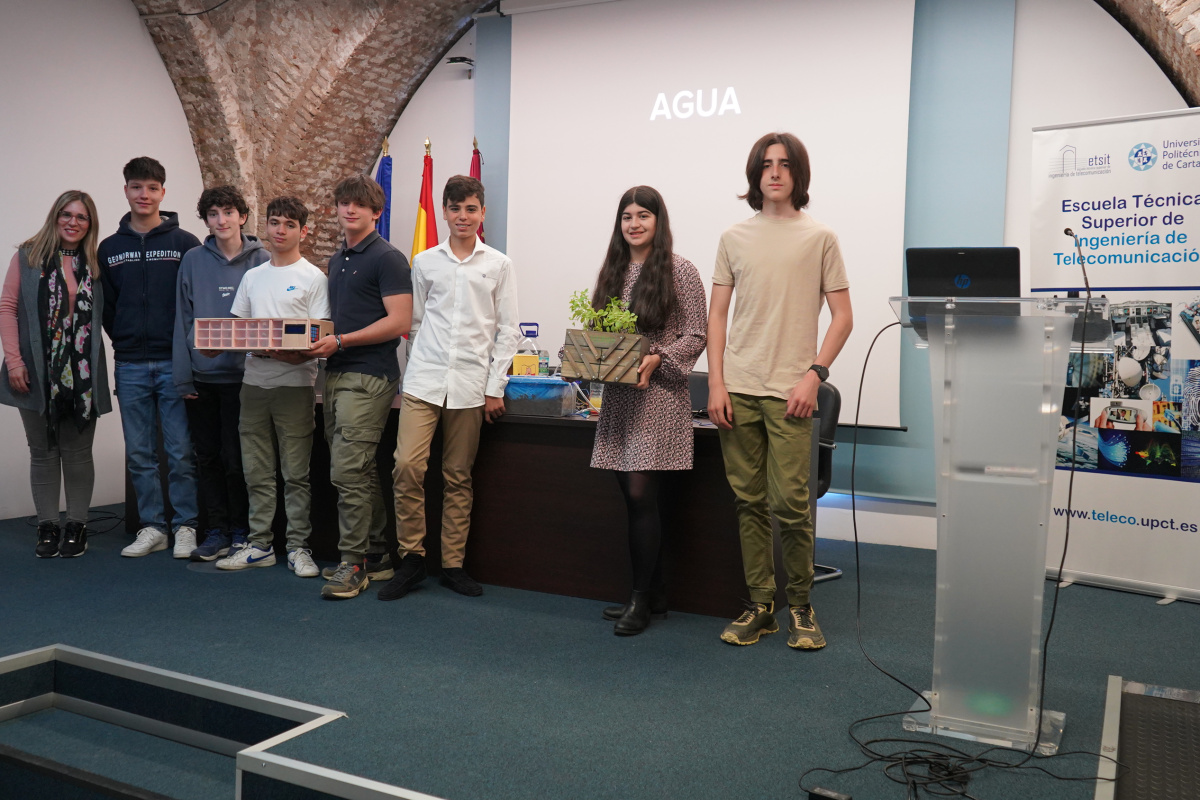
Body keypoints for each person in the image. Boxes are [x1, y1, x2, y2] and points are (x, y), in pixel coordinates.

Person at [708, 132, 853, 649]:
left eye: (784, 165)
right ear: (755, 174)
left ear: (798, 174)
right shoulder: (733, 238)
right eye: (766, 165)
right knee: (748, 503)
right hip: (739, 389)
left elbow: (843, 318)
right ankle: (761, 606)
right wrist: (717, 382)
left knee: (790, 506)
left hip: (792, 392)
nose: (774, 173)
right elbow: (718, 315)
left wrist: (814, 374)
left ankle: (803, 608)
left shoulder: (820, 238)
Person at [382, 175, 520, 601]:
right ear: (443, 211)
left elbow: (508, 330)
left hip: (471, 385)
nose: (463, 217)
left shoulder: (498, 264)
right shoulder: (424, 262)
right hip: (424, 381)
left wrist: (495, 387)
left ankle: (453, 564)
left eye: (471, 209)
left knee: (458, 476)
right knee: (407, 466)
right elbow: (416, 324)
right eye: (455, 208)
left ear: (483, 213)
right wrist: (409, 377)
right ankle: (411, 559)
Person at [580, 186, 707, 635]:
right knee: (635, 498)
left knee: (639, 495)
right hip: (620, 396)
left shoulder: (680, 270)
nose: (634, 224)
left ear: (659, 221)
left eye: (643, 216)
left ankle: (639, 599)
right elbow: (599, 332)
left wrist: (658, 357)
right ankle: (655, 594)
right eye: (627, 217)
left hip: (658, 396)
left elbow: (696, 334)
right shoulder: (611, 270)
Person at [306, 175, 412, 600]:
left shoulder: (388, 258)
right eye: (343, 204)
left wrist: (344, 341)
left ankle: (352, 564)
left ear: (376, 212)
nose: (349, 210)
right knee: (360, 468)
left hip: (369, 375)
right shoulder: (338, 259)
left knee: (347, 470)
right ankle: (378, 553)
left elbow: (400, 322)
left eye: (358, 205)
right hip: (334, 372)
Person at [215, 196, 329, 576]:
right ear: (265, 227)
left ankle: (298, 547)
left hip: (295, 387)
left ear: (303, 231)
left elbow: (318, 341)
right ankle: (260, 543)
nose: (280, 231)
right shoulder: (252, 277)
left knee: (296, 473)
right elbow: (238, 333)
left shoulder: (314, 278)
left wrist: (286, 354)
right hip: (253, 384)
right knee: (256, 471)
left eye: (289, 225)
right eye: (275, 223)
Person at [100, 157, 202, 558]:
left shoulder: (185, 244)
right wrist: (124, 337)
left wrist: (188, 352)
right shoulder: (109, 249)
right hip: (129, 365)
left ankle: (186, 526)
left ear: (163, 192)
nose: (144, 194)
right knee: (140, 453)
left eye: (152, 188)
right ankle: (152, 526)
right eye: (137, 187)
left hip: (175, 363)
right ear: (126, 190)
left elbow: (197, 301)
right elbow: (107, 308)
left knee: (180, 451)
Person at [0, 191, 112, 558]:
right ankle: (48, 526)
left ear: (89, 224)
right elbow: (7, 306)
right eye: (66, 214)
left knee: (78, 453)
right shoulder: (28, 257)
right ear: (55, 216)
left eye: (81, 217)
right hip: (33, 371)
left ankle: (76, 526)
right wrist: (14, 360)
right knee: (43, 451)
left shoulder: (95, 263)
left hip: (81, 373)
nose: (72, 222)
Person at [173, 185, 270, 561]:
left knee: (237, 459)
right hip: (202, 379)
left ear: (242, 217)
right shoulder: (194, 260)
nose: (222, 220)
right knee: (208, 458)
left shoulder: (262, 259)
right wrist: (183, 377)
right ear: (206, 220)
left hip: (246, 380)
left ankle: (242, 531)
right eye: (213, 214)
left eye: (229, 212)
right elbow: (182, 320)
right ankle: (215, 531)